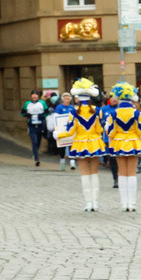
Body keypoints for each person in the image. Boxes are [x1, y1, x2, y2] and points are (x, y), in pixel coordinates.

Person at [56, 79, 106, 211]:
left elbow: (70, 131)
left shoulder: (74, 111)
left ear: (77, 98)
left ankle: (88, 203)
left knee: (84, 173)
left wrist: (58, 135)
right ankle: (95, 203)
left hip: (80, 144)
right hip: (95, 143)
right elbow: (100, 130)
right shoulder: (97, 110)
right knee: (94, 172)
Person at [106, 82, 141, 212]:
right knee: (132, 173)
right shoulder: (136, 113)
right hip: (133, 142)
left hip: (119, 143)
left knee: (121, 172)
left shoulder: (113, 113)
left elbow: (111, 132)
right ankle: (132, 204)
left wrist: (108, 128)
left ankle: (124, 204)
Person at [21, 90, 47, 166]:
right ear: (31, 96)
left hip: (40, 125)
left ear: (38, 96)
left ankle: (36, 153)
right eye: (33, 95)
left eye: (36, 95)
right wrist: (27, 115)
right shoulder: (27, 103)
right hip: (31, 125)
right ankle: (36, 158)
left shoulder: (42, 103)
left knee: (38, 141)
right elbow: (22, 112)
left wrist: (43, 116)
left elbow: (47, 112)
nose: (34, 96)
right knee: (34, 141)